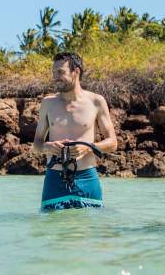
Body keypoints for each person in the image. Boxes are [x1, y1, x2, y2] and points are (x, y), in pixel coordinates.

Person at [32, 52, 117, 210]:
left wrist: (87, 147)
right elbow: (36, 144)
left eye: (60, 72)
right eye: (53, 73)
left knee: (88, 231)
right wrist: (47, 147)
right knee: (50, 231)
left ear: (76, 71)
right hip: (54, 179)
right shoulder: (48, 103)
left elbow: (112, 143)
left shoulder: (96, 101)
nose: (55, 77)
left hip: (86, 177)